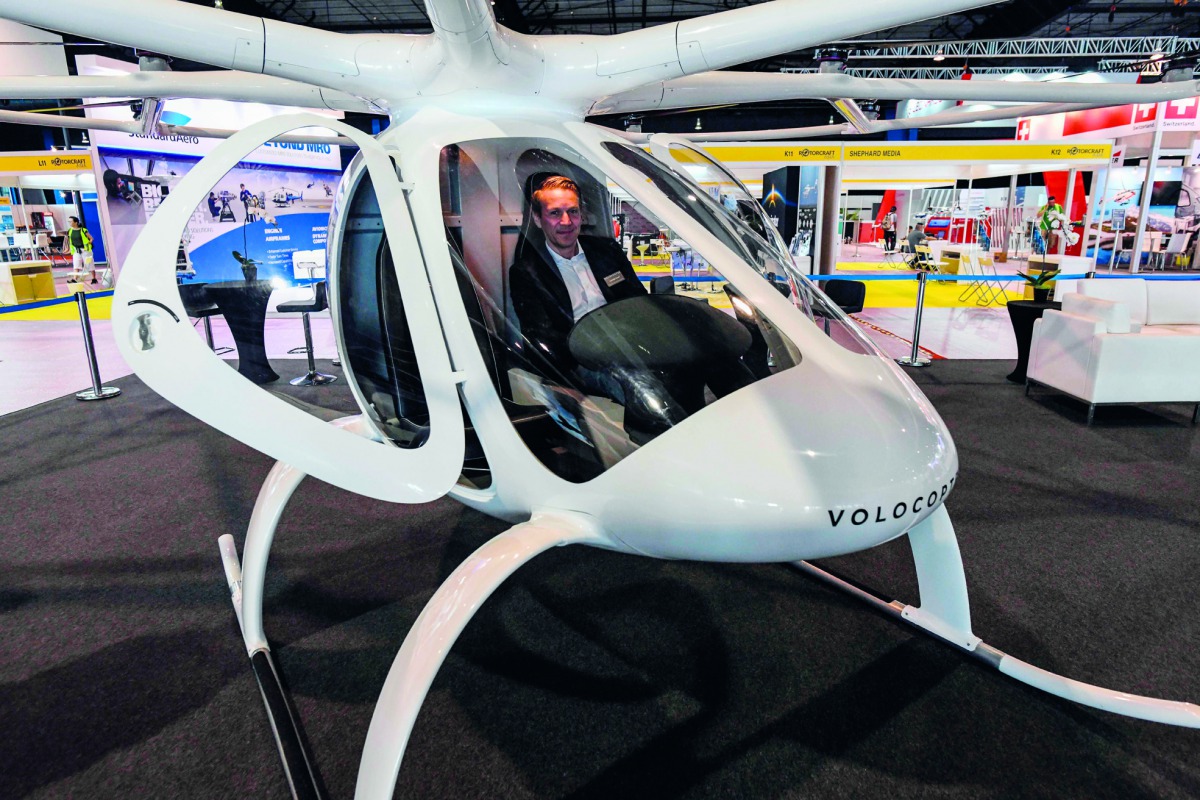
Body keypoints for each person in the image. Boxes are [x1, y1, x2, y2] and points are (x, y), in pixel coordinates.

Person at [509, 174, 645, 399]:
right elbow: (542, 337)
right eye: (554, 213)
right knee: (637, 388)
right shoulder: (527, 273)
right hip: (584, 362)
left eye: (572, 211)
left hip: (630, 346)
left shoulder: (607, 251)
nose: (566, 222)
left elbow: (638, 301)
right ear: (537, 218)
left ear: (581, 215)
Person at [62, 216, 96, 284]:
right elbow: (70, 241)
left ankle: (94, 278)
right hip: (76, 250)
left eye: (71, 221)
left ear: (76, 222)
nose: (69, 223)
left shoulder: (83, 230)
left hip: (85, 250)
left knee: (89, 264)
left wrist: (89, 242)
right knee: (76, 264)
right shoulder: (70, 231)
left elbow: (91, 238)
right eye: (69, 221)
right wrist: (68, 249)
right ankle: (75, 279)